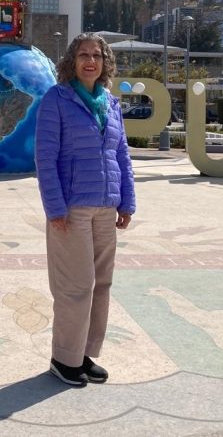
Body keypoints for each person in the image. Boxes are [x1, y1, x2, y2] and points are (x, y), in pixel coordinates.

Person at [34, 32, 136, 387]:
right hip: (72, 209)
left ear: (105, 63)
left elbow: (121, 155)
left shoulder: (110, 102)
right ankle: (64, 358)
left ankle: (85, 354)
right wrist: (55, 207)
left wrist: (127, 200)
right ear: (71, 62)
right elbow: (45, 158)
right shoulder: (56, 99)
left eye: (97, 55)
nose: (90, 61)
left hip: (106, 207)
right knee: (75, 286)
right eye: (83, 55)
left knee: (101, 285)